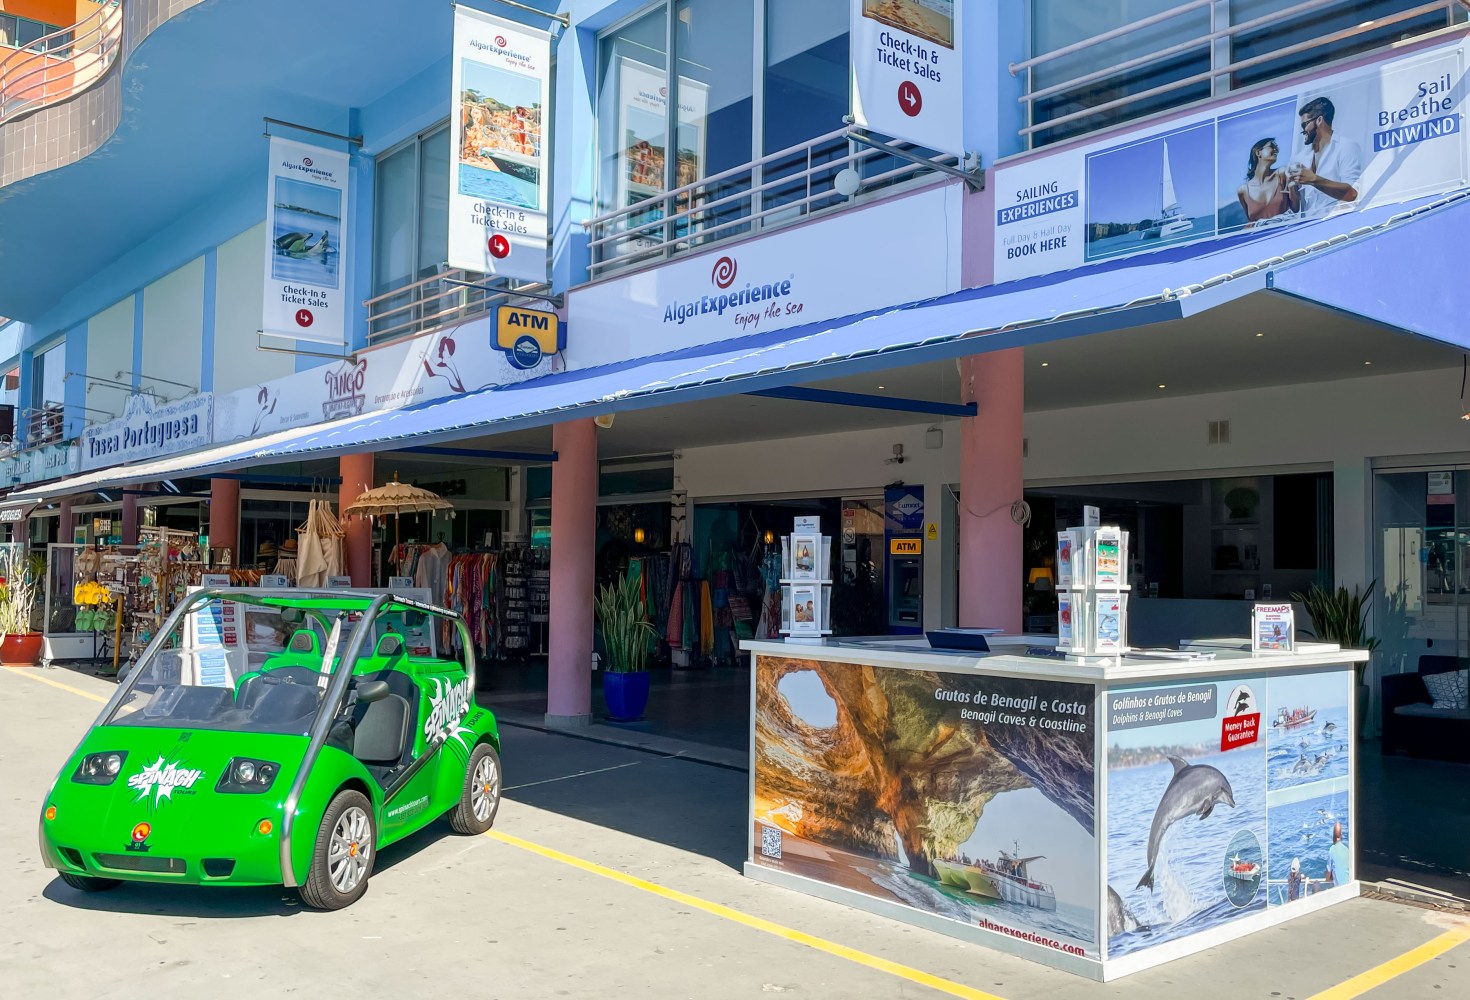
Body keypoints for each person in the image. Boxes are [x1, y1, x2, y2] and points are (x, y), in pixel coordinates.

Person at [1287, 96, 1364, 219]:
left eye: (1304, 125)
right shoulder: (1299, 158)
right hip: (1309, 228)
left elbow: (1353, 194)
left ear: (1319, 120)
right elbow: (1296, 208)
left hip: (1339, 223)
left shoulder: (1346, 147)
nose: (1303, 131)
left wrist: (1314, 179)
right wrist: (1291, 188)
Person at [1237, 138, 1292, 226]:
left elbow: (1296, 208)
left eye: (1277, 147)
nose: (1277, 150)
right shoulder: (1243, 191)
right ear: (1258, 153)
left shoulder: (1282, 173)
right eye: (1272, 146)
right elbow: (1251, 222)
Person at [1325, 821, 1350, 887]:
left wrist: (1329, 877)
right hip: (1348, 887)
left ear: (1333, 836)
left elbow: (1327, 877)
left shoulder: (1332, 850)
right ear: (1341, 835)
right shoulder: (1347, 850)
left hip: (1339, 889)